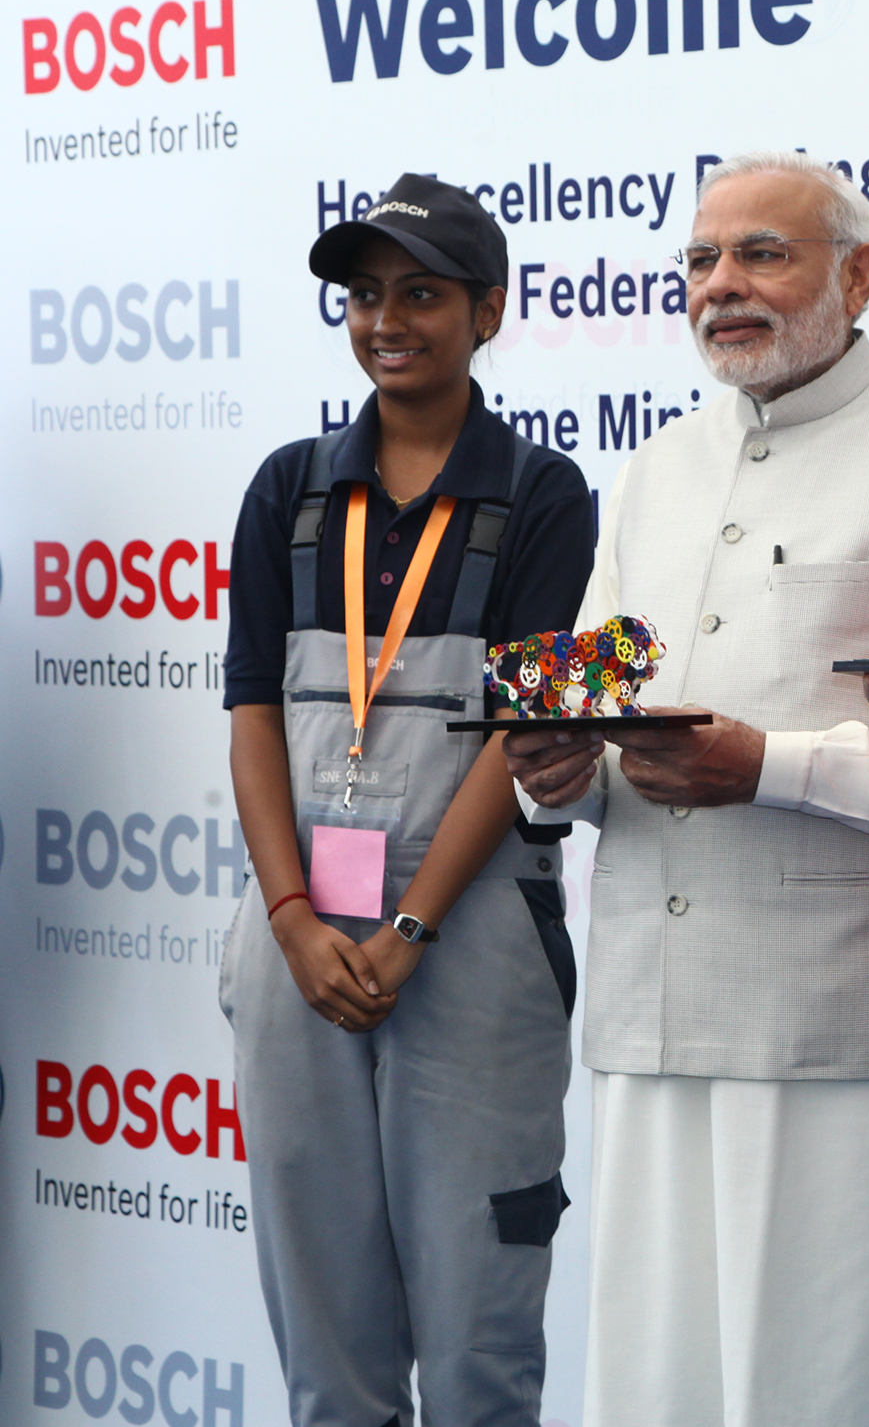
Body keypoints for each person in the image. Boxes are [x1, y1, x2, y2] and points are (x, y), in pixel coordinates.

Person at [499, 150, 869, 1427]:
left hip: (852, 1029)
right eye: (700, 259)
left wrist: (770, 766)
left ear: (860, 276)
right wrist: (553, 773)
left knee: (852, 1385)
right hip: (650, 1018)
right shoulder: (649, 470)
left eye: (761, 254)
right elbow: (585, 701)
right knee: (661, 1387)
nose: (721, 286)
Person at [219, 173, 596, 1427]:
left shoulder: (546, 494)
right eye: (364, 294)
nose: (387, 319)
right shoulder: (286, 490)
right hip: (299, 942)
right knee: (330, 1359)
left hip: (470, 938)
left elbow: (524, 726)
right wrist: (286, 915)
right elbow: (254, 714)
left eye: (421, 294)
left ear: (488, 311)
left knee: (481, 1351)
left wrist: (411, 927)